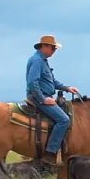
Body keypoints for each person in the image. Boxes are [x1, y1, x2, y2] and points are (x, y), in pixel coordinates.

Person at [26, 35, 79, 165]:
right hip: (38, 98)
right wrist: (43, 99)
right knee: (64, 120)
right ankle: (50, 153)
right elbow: (33, 83)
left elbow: (51, 81)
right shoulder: (37, 61)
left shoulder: (43, 60)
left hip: (43, 96)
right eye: (53, 48)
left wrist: (67, 88)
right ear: (44, 46)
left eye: (55, 48)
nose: (54, 51)